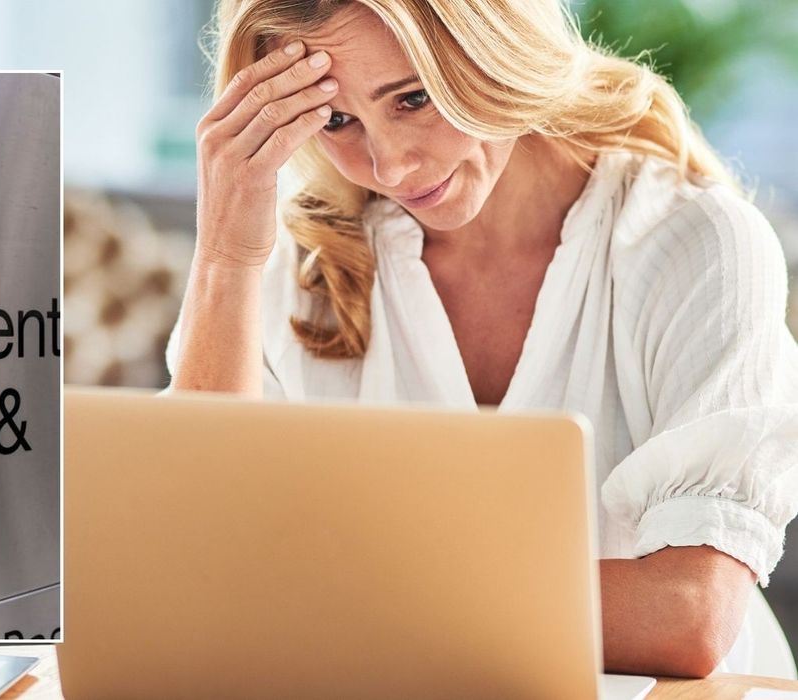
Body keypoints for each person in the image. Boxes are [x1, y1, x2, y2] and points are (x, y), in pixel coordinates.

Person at [166, 0, 798, 679]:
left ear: (497, 50)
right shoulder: (301, 266)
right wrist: (225, 259)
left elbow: (687, 613)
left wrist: (322, 596)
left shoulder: (696, 244)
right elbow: (189, 567)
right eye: (336, 121)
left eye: (413, 99)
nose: (390, 168)